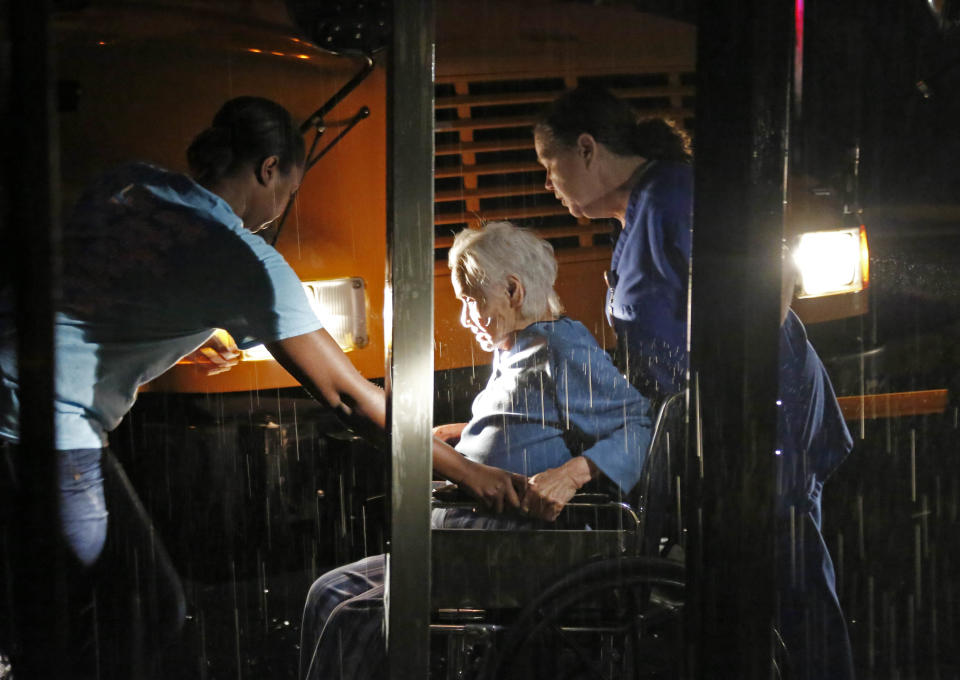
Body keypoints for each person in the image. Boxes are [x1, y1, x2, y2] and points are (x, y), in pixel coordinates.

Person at [0, 96, 520, 678]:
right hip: (44, 425)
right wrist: (471, 473)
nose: (279, 211)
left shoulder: (134, 183)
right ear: (269, 169)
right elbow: (347, 396)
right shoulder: (247, 261)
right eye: (286, 192)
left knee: (56, 611)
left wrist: (186, 335)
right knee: (138, 609)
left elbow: (97, 284)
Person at [534, 85, 855, 678]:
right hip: (710, 411)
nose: (548, 185)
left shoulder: (674, 193)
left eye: (550, 167)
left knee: (788, 571)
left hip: (761, 402)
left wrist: (732, 386)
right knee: (745, 574)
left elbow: (772, 273)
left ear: (586, 149)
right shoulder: (634, 213)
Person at [298, 221, 654, 680]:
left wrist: (572, 474)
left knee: (354, 618)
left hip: (507, 547)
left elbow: (638, 427)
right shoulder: (519, 347)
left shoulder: (561, 347)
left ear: (511, 289)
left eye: (470, 299)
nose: (465, 317)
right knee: (327, 592)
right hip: (465, 541)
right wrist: (471, 432)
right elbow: (538, 419)